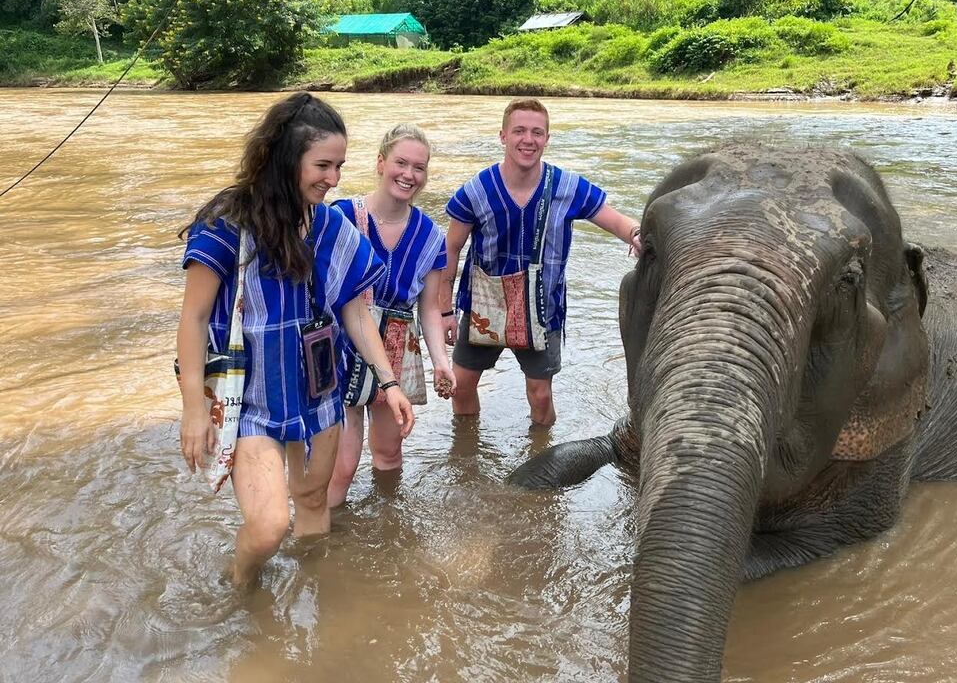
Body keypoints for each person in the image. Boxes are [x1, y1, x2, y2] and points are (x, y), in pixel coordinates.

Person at [177, 92, 414, 587]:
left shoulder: (331, 225)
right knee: (268, 528)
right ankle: (240, 583)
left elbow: (355, 310)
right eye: (322, 165)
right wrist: (194, 410)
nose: (333, 179)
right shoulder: (228, 224)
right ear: (286, 159)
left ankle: (317, 601)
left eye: (340, 166)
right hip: (252, 404)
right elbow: (195, 318)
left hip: (319, 393)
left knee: (311, 504)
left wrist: (389, 383)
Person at [439, 98, 641, 427]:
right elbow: (451, 249)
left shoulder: (567, 187)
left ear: (547, 139)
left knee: (541, 395)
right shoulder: (475, 191)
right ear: (503, 135)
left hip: (541, 307)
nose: (528, 140)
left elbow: (615, 221)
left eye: (537, 132)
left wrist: (637, 234)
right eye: (519, 131)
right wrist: (445, 311)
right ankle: (467, 452)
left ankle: (542, 458)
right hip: (483, 307)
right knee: (462, 388)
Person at [327, 124, 456, 508]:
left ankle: (388, 526)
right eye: (401, 162)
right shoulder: (341, 216)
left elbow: (429, 307)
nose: (409, 175)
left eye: (419, 167)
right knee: (344, 464)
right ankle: (324, 537)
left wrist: (440, 363)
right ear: (381, 163)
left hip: (398, 347)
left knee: (388, 453)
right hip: (341, 348)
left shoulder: (432, 236)